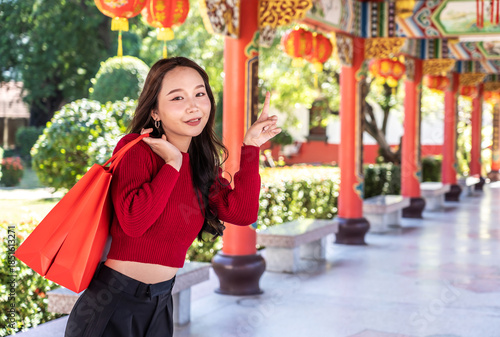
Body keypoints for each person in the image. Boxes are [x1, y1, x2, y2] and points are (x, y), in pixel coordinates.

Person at [64, 56, 281, 337]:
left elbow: (242, 213)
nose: (193, 105)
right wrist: (171, 165)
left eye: (199, 93)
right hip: (111, 304)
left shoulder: (201, 166)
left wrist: (250, 147)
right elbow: (134, 222)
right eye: (177, 97)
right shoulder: (135, 149)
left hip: (162, 303)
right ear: (155, 111)